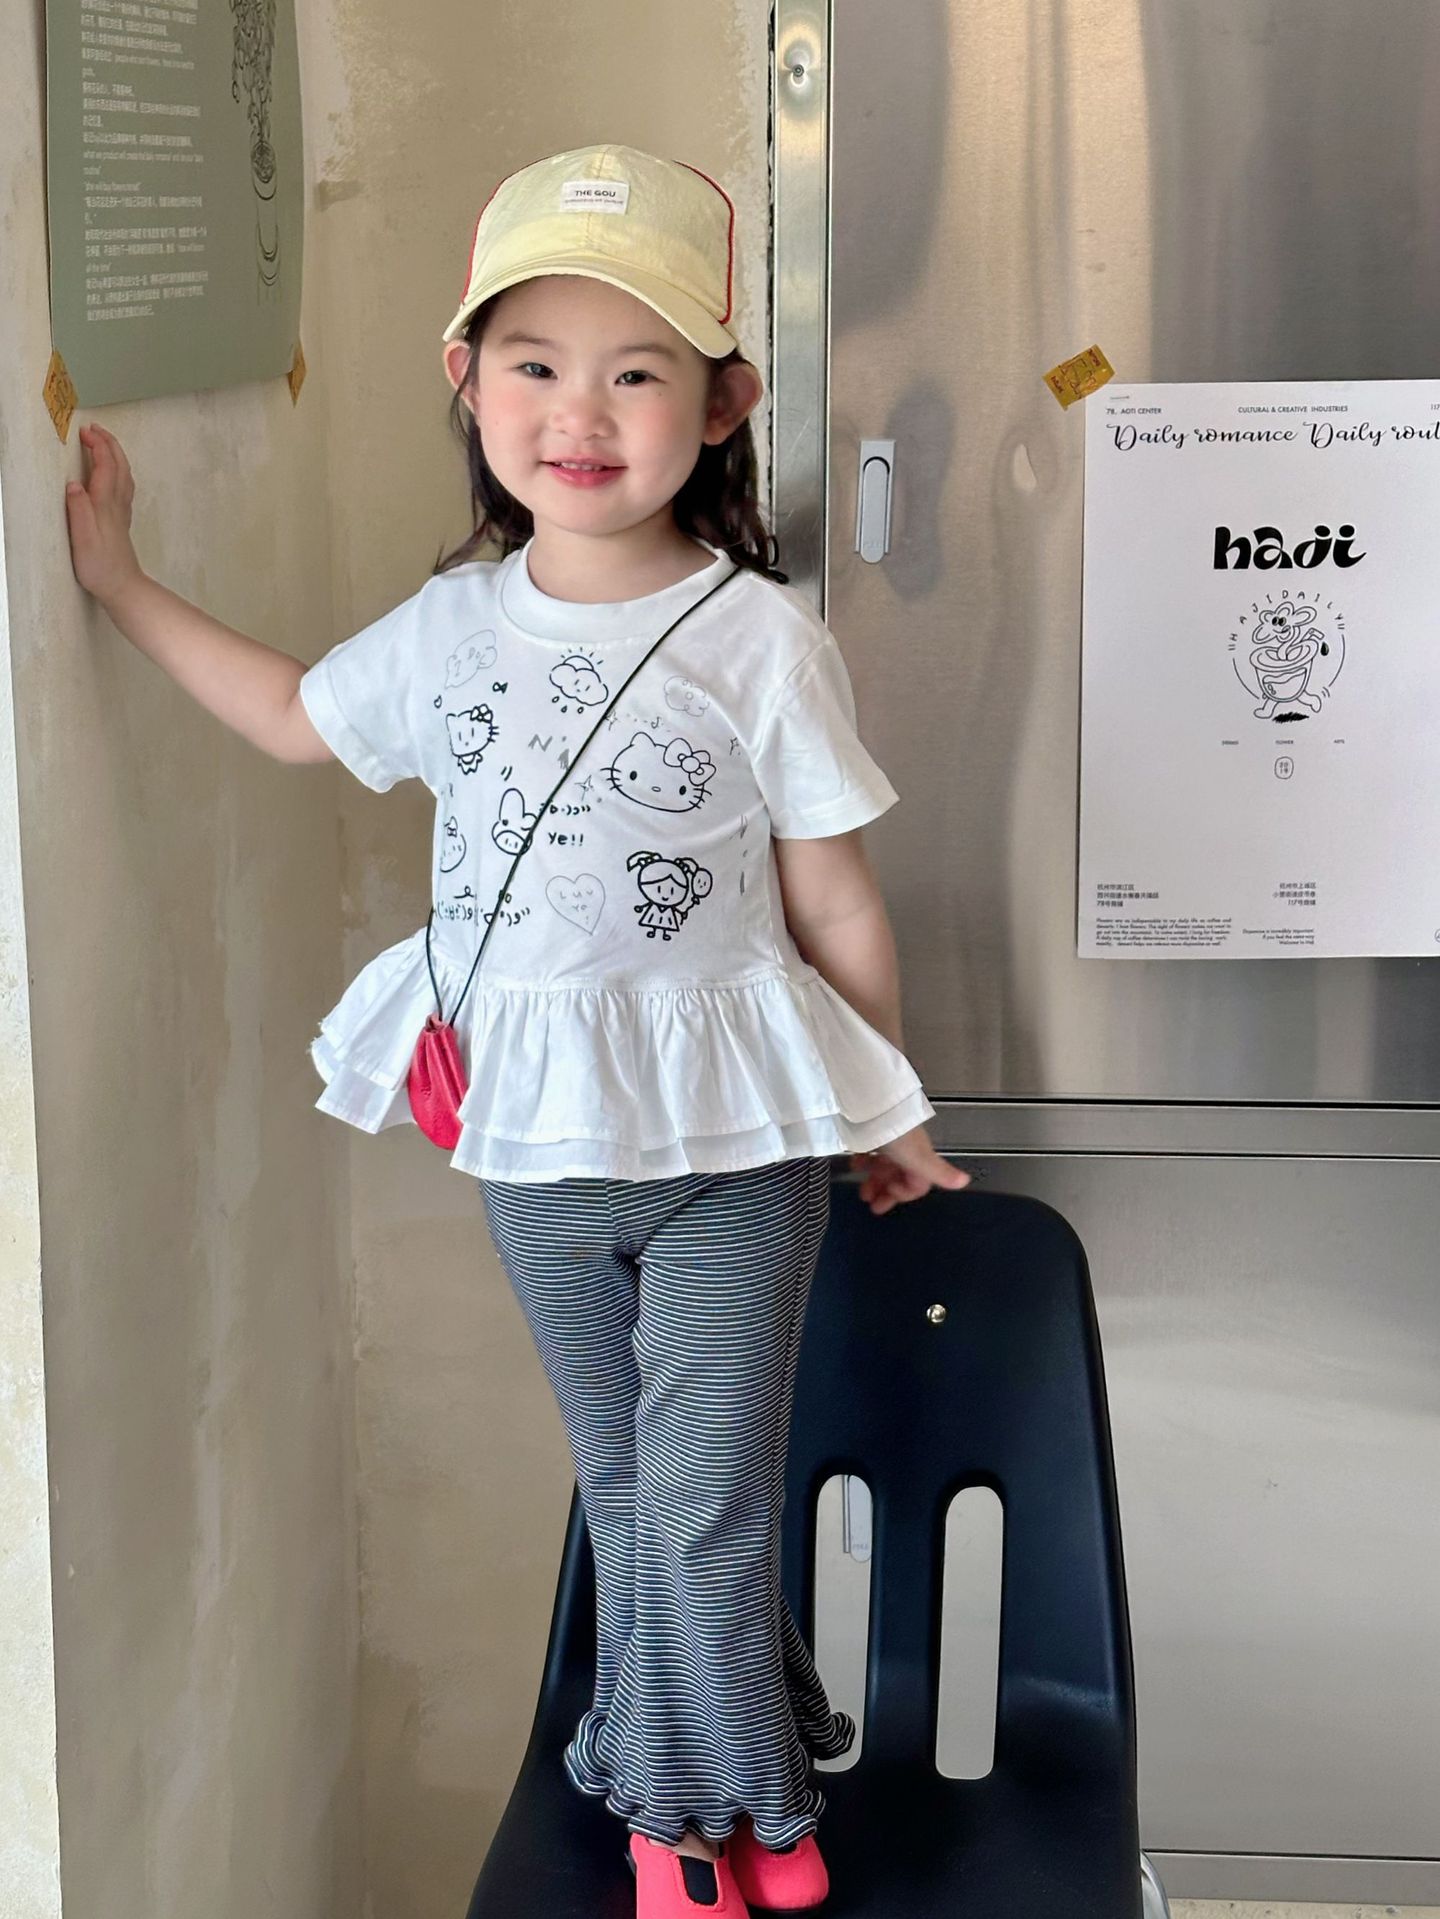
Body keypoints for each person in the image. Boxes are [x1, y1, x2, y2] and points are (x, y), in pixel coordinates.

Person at [64, 143, 970, 1919]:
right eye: (537, 363)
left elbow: (839, 901)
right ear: (466, 381)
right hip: (533, 1139)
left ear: (722, 405)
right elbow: (293, 718)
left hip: (734, 1146)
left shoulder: (761, 643)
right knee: (632, 1492)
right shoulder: (451, 629)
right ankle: (754, 1784)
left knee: (702, 1493)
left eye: (637, 371)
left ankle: (677, 1824)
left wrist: (881, 1105)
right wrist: (116, 583)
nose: (582, 413)